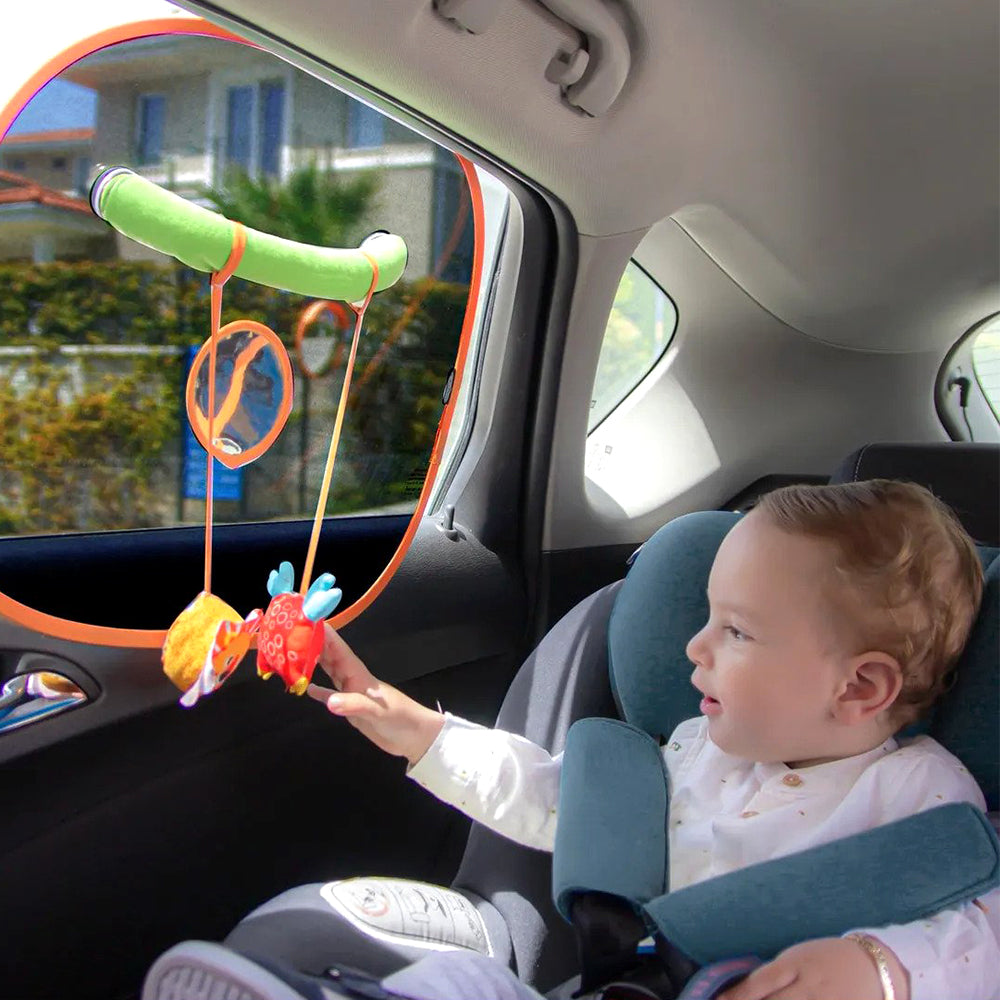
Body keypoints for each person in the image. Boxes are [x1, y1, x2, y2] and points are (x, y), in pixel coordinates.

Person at [305, 480, 999, 1000]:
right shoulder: (697, 750)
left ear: (860, 688)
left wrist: (883, 971)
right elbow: (560, 801)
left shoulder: (920, 794)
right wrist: (424, 735)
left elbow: (985, 933)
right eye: (708, 617)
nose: (694, 646)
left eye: (736, 630)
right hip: (625, 982)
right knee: (453, 979)